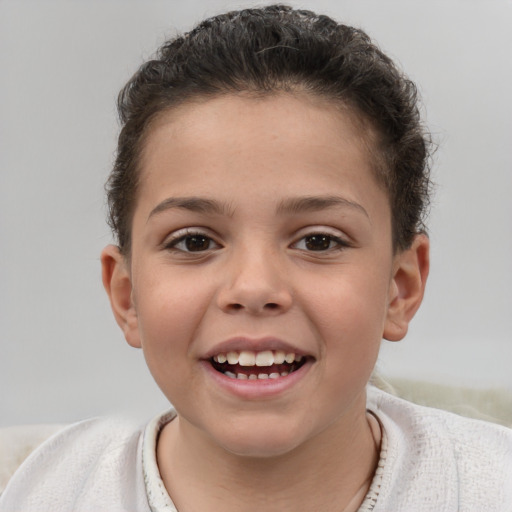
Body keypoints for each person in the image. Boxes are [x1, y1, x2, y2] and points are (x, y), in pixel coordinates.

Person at [1, 5, 511, 511]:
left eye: (318, 241)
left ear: (400, 287)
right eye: (194, 241)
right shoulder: (42, 490)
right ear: (126, 296)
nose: (254, 287)